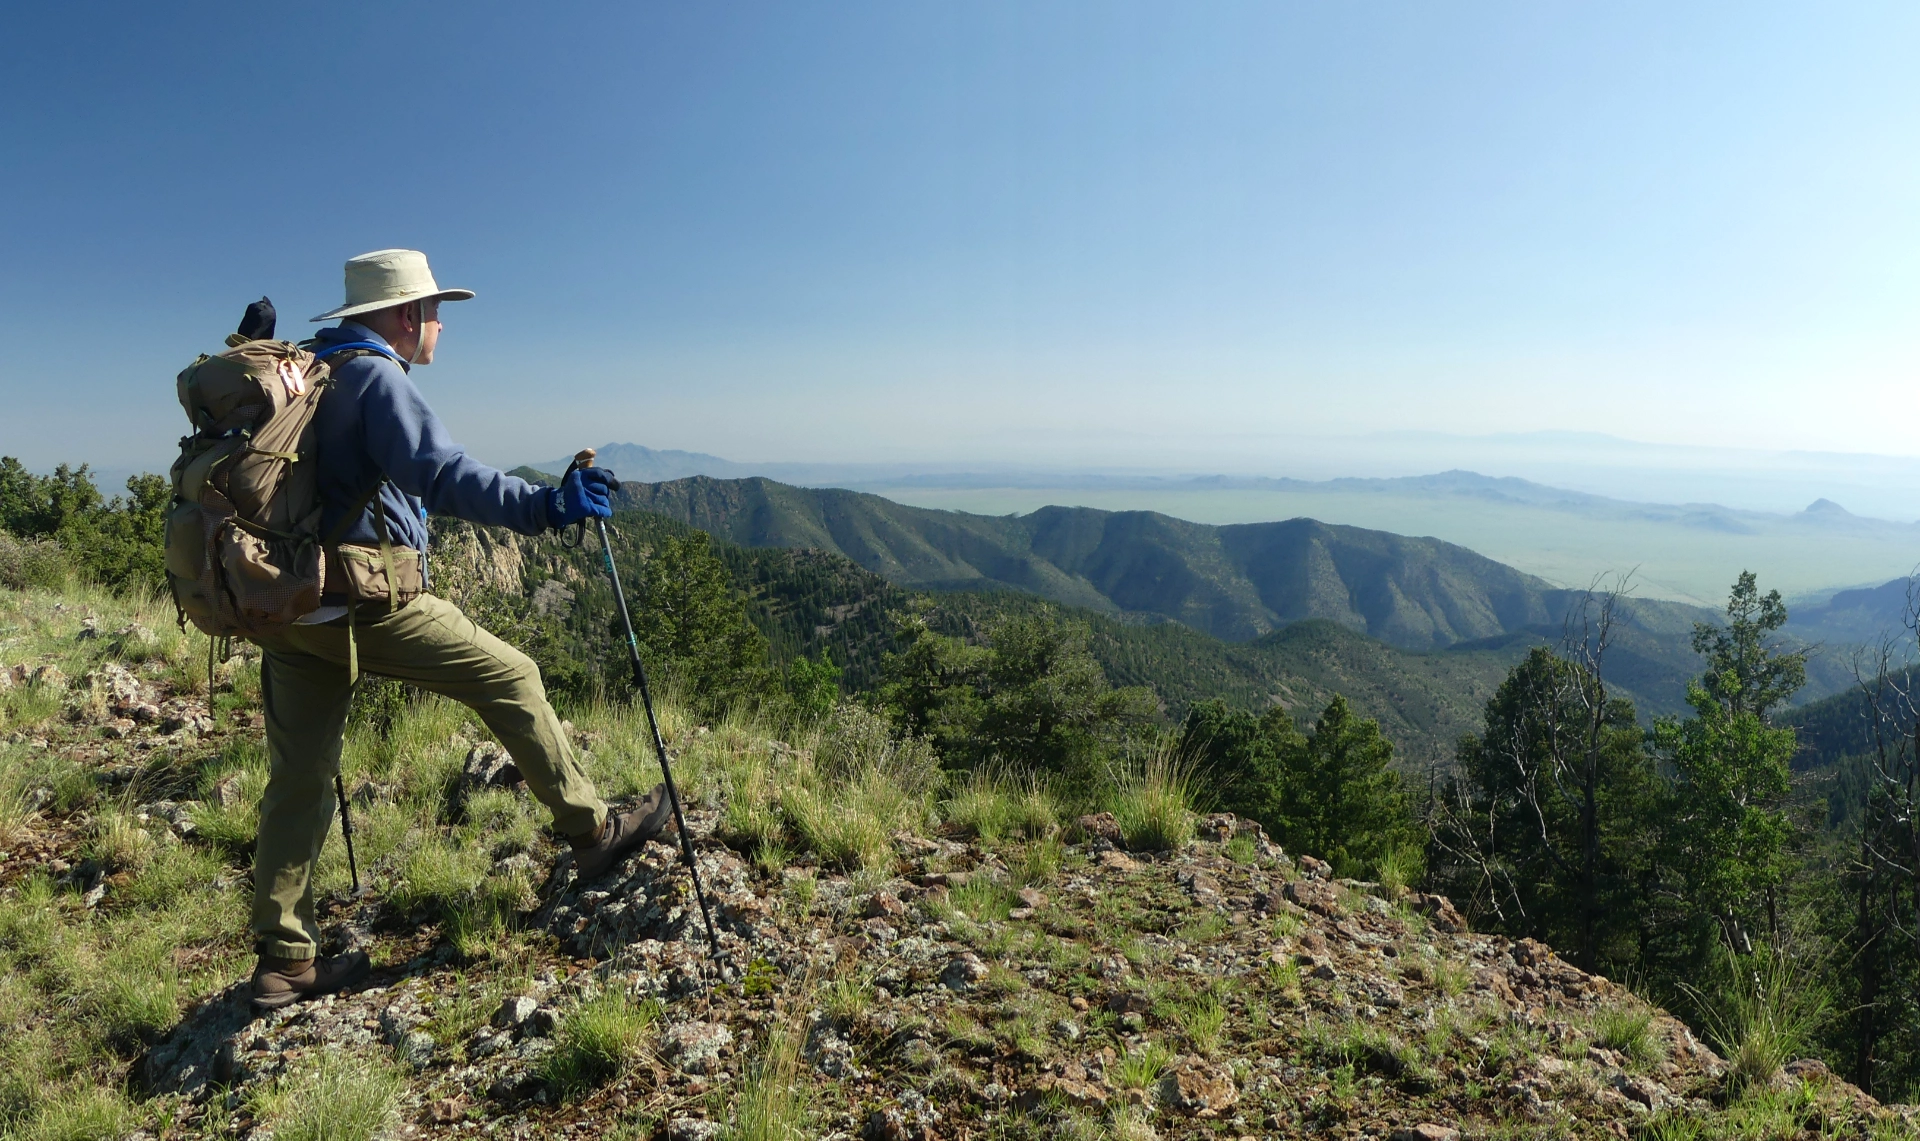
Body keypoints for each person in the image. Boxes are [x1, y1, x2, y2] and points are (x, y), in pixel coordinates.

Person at [244, 249, 671, 1010]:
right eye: (436, 310)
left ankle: (284, 959)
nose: (441, 324)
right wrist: (546, 507)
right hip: (369, 602)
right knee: (513, 677)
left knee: (299, 778)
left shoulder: (308, 368)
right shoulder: (376, 377)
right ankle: (592, 832)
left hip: (290, 607)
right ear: (407, 315)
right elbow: (445, 473)